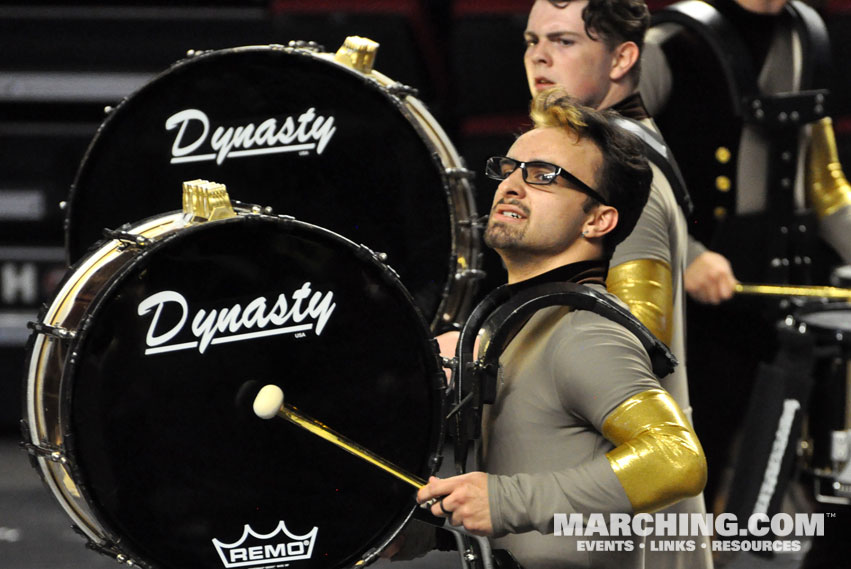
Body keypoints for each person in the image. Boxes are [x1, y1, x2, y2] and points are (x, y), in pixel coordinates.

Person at [393, 90, 707, 569]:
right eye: (510, 169)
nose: (512, 185)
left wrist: (506, 500)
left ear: (599, 220)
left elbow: (676, 458)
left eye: (544, 176)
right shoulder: (521, 329)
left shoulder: (584, 334)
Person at [639, 0, 851, 521]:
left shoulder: (807, 31)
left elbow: (822, 181)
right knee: (697, 455)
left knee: (794, 465)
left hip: (787, 283)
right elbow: (620, 167)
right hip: (698, 298)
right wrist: (687, 253)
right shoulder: (669, 44)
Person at [523, 1, 715, 566]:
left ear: (623, 57)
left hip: (623, 528)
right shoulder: (600, 156)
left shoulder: (625, 171)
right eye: (532, 40)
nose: (538, 56)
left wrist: (489, 350)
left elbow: (629, 348)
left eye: (563, 42)